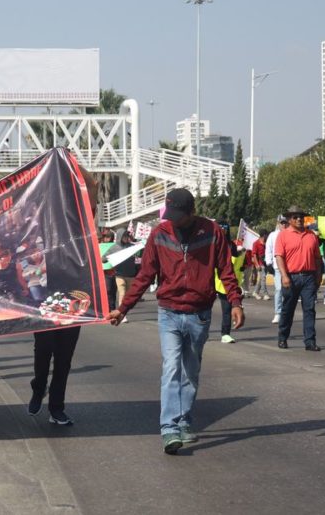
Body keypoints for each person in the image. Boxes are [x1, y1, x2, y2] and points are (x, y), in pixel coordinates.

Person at [106, 188, 244, 454]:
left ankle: (183, 420)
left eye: (178, 215)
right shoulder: (160, 234)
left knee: (190, 372)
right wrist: (123, 309)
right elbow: (145, 276)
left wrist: (235, 302)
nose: (173, 220)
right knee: (171, 368)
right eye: (170, 214)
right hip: (168, 312)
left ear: (192, 212)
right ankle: (169, 428)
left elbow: (226, 269)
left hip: (199, 314)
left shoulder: (212, 232)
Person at [274, 205, 323, 351]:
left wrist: (319, 275)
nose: (299, 219)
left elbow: (317, 258)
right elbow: (279, 257)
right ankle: (283, 337)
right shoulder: (283, 235)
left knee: (309, 309)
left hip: (308, 277)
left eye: (301, 216)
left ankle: (310, 341)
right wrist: (284, 276)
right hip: (291, 277)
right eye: (295, 217)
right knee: (288, 309)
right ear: (289, 219)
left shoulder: (311, 236)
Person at [264, 216, 288, 324]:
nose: (284, 225)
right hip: (278, 267)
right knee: (278, 289)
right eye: (282, 223)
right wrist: (269, 263)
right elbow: (268, 249)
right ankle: (278, 313)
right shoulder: (273, 235)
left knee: (288, 291)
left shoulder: (290, 234)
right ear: (278, 223)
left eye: (285, 223)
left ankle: (286, 312)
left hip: (290, 267)